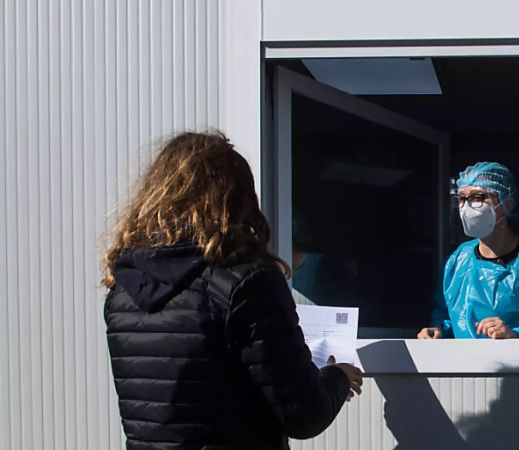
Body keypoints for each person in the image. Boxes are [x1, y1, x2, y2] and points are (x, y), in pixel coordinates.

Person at [102, 131, 363, 450]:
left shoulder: (123, 292)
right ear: (238, 201)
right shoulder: (246, 283)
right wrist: (337, 377)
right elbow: (303, 414)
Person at [418, 162, 519, 340]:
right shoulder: (458, 260)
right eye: (461, 199)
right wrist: (437, 329)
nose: (467, 207)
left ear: (507, 203)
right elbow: (446, 314)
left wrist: (516, 335)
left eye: (478, 197)